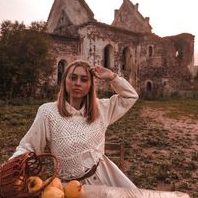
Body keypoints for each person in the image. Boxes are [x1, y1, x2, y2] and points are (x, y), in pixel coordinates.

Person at [11, 60, 139, 188]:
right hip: (68, 187)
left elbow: (130, 96)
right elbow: (28, 147)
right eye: (73, 78)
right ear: (65, 81)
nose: (78, 83)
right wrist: (13, 167)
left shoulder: (101, 108)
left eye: (84, 79)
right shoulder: (48, 112)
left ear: (90, 85)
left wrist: (112, 77)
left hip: (104, 179)